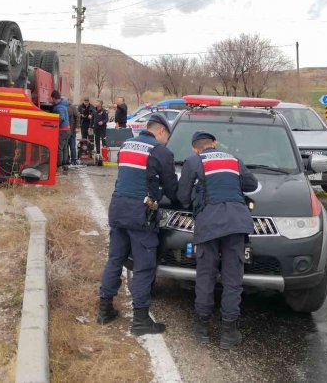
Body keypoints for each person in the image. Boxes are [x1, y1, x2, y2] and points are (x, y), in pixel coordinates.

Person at [97, 114, 178, 336]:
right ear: (161, 131)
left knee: (115, 258)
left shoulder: (127, 145)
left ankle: (104, 310)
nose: (167, 142)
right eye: (167, 137)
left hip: (118, 208)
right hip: (140, 214)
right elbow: (172, 190)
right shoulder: (160, 151)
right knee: (143, 266)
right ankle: (141, 320)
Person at [177, 131, 258, 350]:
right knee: (233, 279)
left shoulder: (193, 161)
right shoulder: (233, 159)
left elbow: (182, 197)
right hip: (236, 223)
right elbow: (251, 185)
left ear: (195, 148)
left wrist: (197, 193)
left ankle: (202, 330)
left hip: (209, 225)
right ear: (215, 144)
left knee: (206, 276)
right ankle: (228, 334)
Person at [50, 91, 70, 174]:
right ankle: (65, 165)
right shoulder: (63, 105)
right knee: (65, 148)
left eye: (52, 99)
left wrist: (54, 124)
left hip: (62, 130)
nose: (52, 100)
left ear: (54, 98)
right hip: (67, 130)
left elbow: (61, 118)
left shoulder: (59, 107)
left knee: (59, 149)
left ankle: (59, 166)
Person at [93, 99, 109, 165]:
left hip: (102, 128)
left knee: (103, 140)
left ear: (100, 103)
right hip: (96, 128)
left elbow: (106, 119)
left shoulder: (104, 111)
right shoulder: (94, 110)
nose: (96, 103)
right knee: (96, 140)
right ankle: (98, 154)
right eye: (96, 102)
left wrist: (102, 122)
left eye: (97, 102)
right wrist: (90, 127)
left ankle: (104, 155)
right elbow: (92, 119)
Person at [67, 98, 80, 165]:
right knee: (66, 146)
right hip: (65, 130)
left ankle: (73, 160)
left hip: (72, 130)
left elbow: (77, 116)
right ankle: (67, 159)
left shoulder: (73, 107)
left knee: (72, 146)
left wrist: (77, 127)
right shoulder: (64, 107)